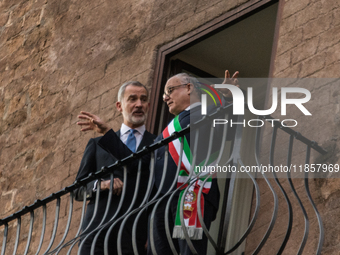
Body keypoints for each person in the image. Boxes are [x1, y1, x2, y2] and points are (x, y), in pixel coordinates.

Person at [90, 70, 239, 255]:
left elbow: (227, 131)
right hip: (162, 203)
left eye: (170, 90)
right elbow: (138, 163)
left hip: (192, 196)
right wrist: (108, 133)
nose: (165, 97)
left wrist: (228, 100)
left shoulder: (208, 113)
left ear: (189, 88)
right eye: (164, 93)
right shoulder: (167, 131)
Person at [74, 81, 156, 255]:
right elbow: (78, 189)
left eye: (143, 99)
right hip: (96, 231)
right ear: (119, 106)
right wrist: (101, 184)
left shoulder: (157, 144)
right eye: (132, 99)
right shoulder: (96, 145)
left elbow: (136, 166)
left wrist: (107, 133)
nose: (139, 104)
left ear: (149, 105)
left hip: (134, 234)